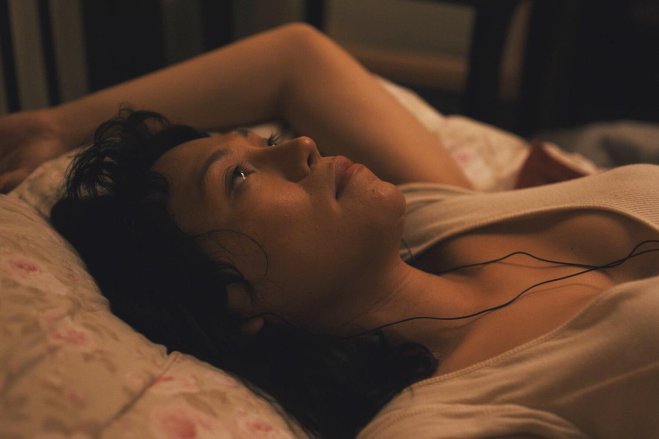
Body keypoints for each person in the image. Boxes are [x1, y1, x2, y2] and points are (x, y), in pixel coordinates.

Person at [1, 23, 658, 439]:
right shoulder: (448, 419)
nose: (302, 147)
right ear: (237, 301)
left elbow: (294, 58)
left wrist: (53, 126)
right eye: (239, 177)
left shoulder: (439, 215)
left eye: (263, 144)